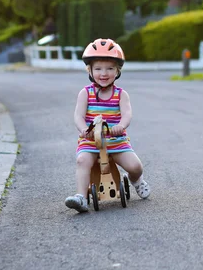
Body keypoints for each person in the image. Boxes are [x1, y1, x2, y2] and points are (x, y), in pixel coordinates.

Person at [65, 38, 151, 213]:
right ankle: (81, 197)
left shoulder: (121, 94)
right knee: (82, 161)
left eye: (110, 68)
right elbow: (78, 116)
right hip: (91, 141)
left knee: (136, 166)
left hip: (116, 141)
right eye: (98, 69)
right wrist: (83, 130)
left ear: (117, 70)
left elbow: (127, 113)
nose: (104, 73)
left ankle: (136, 180)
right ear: (89, 70)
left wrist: (121, 125)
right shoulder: (85, 93)